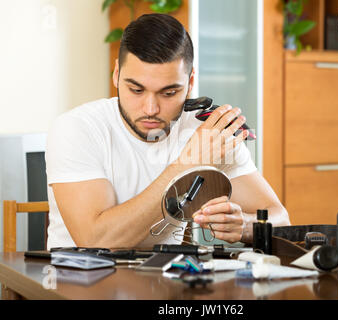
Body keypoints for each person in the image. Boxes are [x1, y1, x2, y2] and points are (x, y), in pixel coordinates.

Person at [45, 13, 290, 250]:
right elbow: (97, 241)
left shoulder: (205, 133)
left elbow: (281, 220)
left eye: (169, 93)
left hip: (164, 284)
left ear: (190, 82)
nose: (151, 109)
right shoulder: (77, 128)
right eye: (136, 90)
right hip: (79, 285)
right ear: (117, 74)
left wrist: (245, 227)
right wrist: (187, 165)